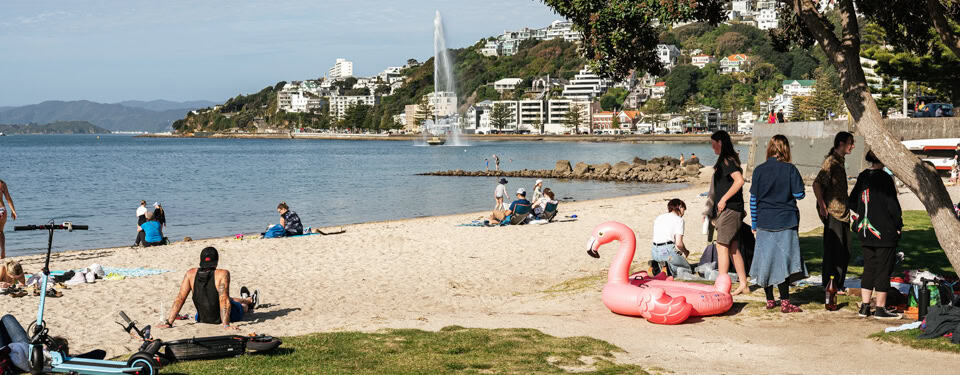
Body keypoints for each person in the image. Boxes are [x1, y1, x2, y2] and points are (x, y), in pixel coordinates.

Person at [749, 135, 807, 313]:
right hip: (785, 220)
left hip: (764, 221)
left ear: (769, 149)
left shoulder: (759, 170)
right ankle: (785, 302)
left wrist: (754, 224)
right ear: (786, 149)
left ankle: (769, 300)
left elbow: (753, 199)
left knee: (766, 261)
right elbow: (799, 195)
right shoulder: (790, 169)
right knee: (783, 262)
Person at [849, 151, 903, 319]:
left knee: (869, 267)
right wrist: (897, 224)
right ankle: (880, 307)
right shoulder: (885, 178)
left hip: (865, 229)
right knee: (883, 268)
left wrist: (862, 213)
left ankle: (865, 306)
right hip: (884, 231)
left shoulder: (863, 176)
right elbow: (892, 205)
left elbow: (852, 200)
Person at [159, 247, 258, 330]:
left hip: (200, 318)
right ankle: (249, 301)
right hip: (222, 318)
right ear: (216, 261)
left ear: (200, 261)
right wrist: (226, 325)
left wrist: (169, 322)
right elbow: (224, 300)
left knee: (228, 298)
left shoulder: (190, 273)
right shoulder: (223, 274)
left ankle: (247, 298)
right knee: (240, 306)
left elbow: (180, 298)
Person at [813, 131, 855, 295]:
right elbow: (817, 184)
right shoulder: (831, 162)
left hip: (843, 213)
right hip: (833, 213)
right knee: (834, 250)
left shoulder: (840, 161)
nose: (852, 146)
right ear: (841, 143)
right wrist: (822, 205)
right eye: (850, 143)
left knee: (845, 249)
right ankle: (830, 284)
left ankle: (838, 283)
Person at [709, 130, 750, 295]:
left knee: (721, 246)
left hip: (731, 209)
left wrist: (723, 199)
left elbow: (739, 181)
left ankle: (722, 285)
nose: (712, 147)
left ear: (720, 142)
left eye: (713, 143)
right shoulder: (728, 159)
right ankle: (744, 284)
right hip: (731, 209)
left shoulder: (727, 160)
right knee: (733, 247)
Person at [650, 199, 693, 276]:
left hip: (654, 251)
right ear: (680, 207)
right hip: (666, 251)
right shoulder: (679, 220)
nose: (683, 213)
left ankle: (658, 264)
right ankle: (667, 267)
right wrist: (686, 252)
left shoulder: (659, 217)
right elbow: (679, 243)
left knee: (673, 260)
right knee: (687, 269)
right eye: (683, 209)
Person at [0, 180, 16, 259]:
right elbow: (8, 198)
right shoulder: (2, 184)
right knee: (1, 232)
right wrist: (13, 210)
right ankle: (3, 251)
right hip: (2, 210)